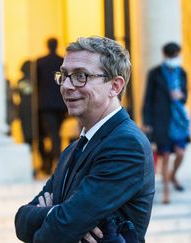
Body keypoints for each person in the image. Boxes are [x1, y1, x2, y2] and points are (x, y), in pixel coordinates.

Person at [15, 36, 155, 243]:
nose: (67, 86)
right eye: (64, 75)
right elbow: (21, 222)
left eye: (81, 76)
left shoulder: (126, 144)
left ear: (115, 86)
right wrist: (61, 215)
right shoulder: (72, 149)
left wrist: (57, 215)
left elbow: (57, 232)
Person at [142, 42, 190, 204]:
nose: (174, 58)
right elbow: (148, 99)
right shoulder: (155, 73)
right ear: (165, 55)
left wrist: (180, 96)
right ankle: (166, 193)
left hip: (179, 121)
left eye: (176, 55)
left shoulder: (182, 73)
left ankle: (173, 175)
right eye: (172, 56)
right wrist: (147, 121)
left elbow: (185, 97)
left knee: (181, 153)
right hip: (161, 119)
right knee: (166, 156)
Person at [36, 38, 67, 175]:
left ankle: (53, 163)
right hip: (60, 104)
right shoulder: (62, 61)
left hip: (46, 105)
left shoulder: (40, 62)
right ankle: (53, 162)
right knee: (55, 134)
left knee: (53, 135)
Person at [15, 60, 33, 145]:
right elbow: (27, 92)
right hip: (27, 108)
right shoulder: (22, 81)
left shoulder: (22, 81)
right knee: (27, 133)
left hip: (26, 108)